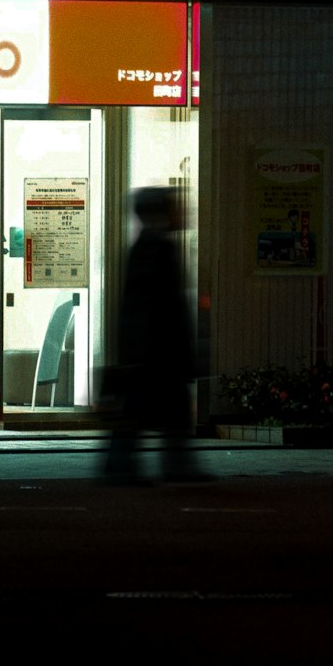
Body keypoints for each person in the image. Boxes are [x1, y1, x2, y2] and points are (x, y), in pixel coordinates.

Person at [103, 184, 203, 484]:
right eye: (176, 207)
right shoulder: (156, 250)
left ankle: (128, 466)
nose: (183, 213)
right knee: (150, 413)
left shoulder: (148, 247)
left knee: (141, 414)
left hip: (151, 354)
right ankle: (134, 467)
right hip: (158, 354)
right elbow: (156, 309)